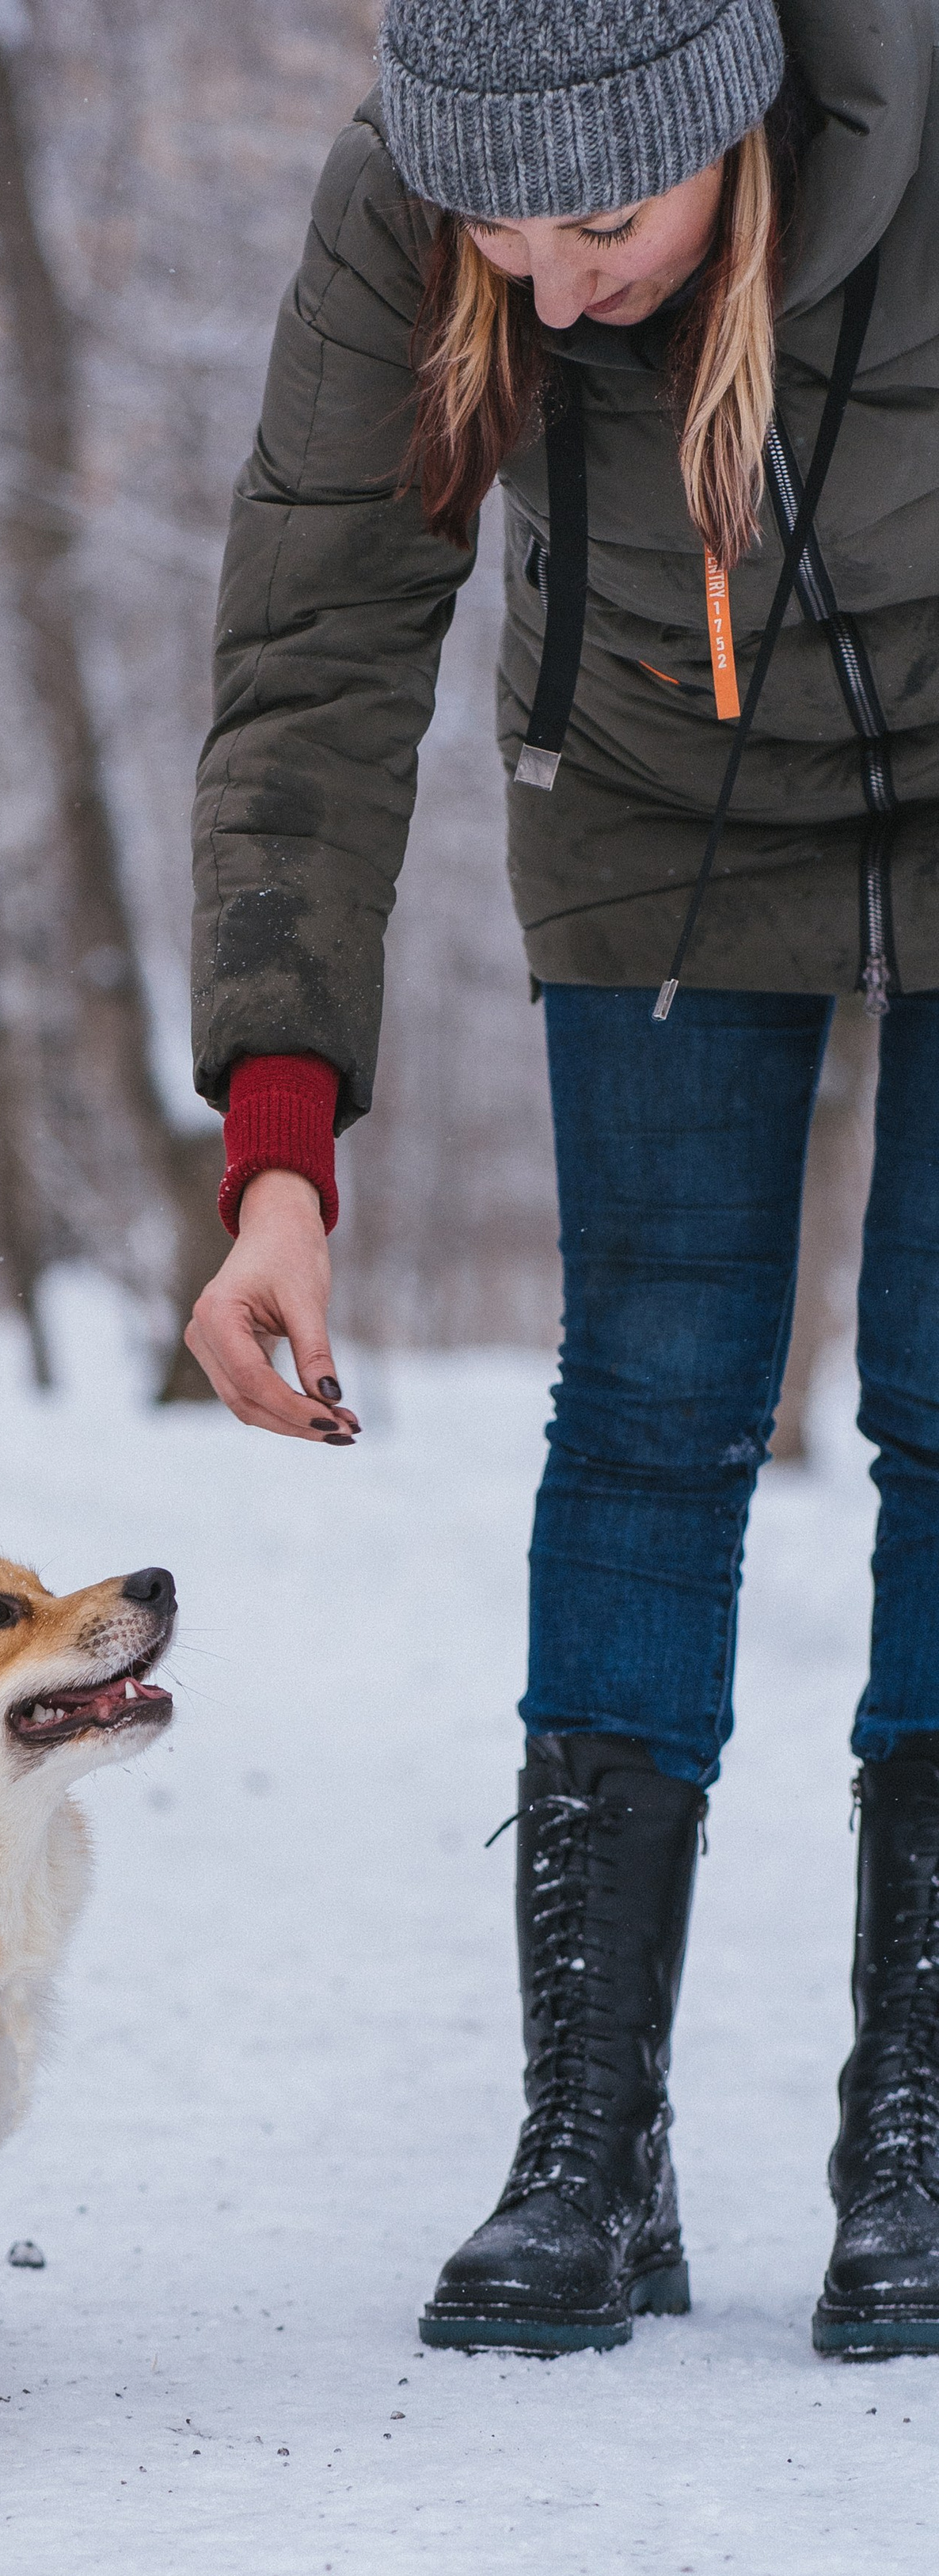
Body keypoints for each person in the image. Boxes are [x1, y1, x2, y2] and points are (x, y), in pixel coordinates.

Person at [184, 0, 939, 2360]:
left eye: (603, 218)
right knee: (646, 1411)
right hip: (648, 805)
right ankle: (588, 2150)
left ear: (736, 121)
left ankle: (920, 2128)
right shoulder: (411, 215)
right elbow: (314, 652)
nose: (552, 280)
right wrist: (281, 1155)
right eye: (500, 233)